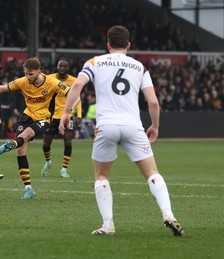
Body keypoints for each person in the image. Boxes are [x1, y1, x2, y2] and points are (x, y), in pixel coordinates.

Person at [59, 25, 184, 236]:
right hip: (133, 126)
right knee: (152, 173)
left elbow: (78, 85)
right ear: (128, 45)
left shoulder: (94, 62)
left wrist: (66, 112)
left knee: (101, 176)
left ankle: (108, 225)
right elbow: (153, 102)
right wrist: (155, 125)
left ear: (108, 44)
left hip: (106, 126)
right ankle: (168, 214)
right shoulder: (140, 67)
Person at [0, 57, 73, 200]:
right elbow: (3, 88)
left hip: (44, 118)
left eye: (31, 74)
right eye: (26, 74)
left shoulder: (52, 83)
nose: (27, 77)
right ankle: (28, 188)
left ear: (39, 71)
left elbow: (71, 93)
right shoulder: (22, 82)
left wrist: (68, 112)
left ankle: (10, 144)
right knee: (20, 151)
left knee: (27, 134)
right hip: (27, 115)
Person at [41, 59, 82, 178]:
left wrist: (79, 115)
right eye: (60, 66)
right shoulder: (50, 78)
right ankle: (48, 162)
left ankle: (64, 169)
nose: (62, 68)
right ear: (57, 67)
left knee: (68, 141)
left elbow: (77, 98)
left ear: (68, 68)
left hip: (68, 116)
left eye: (65, 67)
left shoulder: (73, 81)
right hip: (53, 116)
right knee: (45, 144)